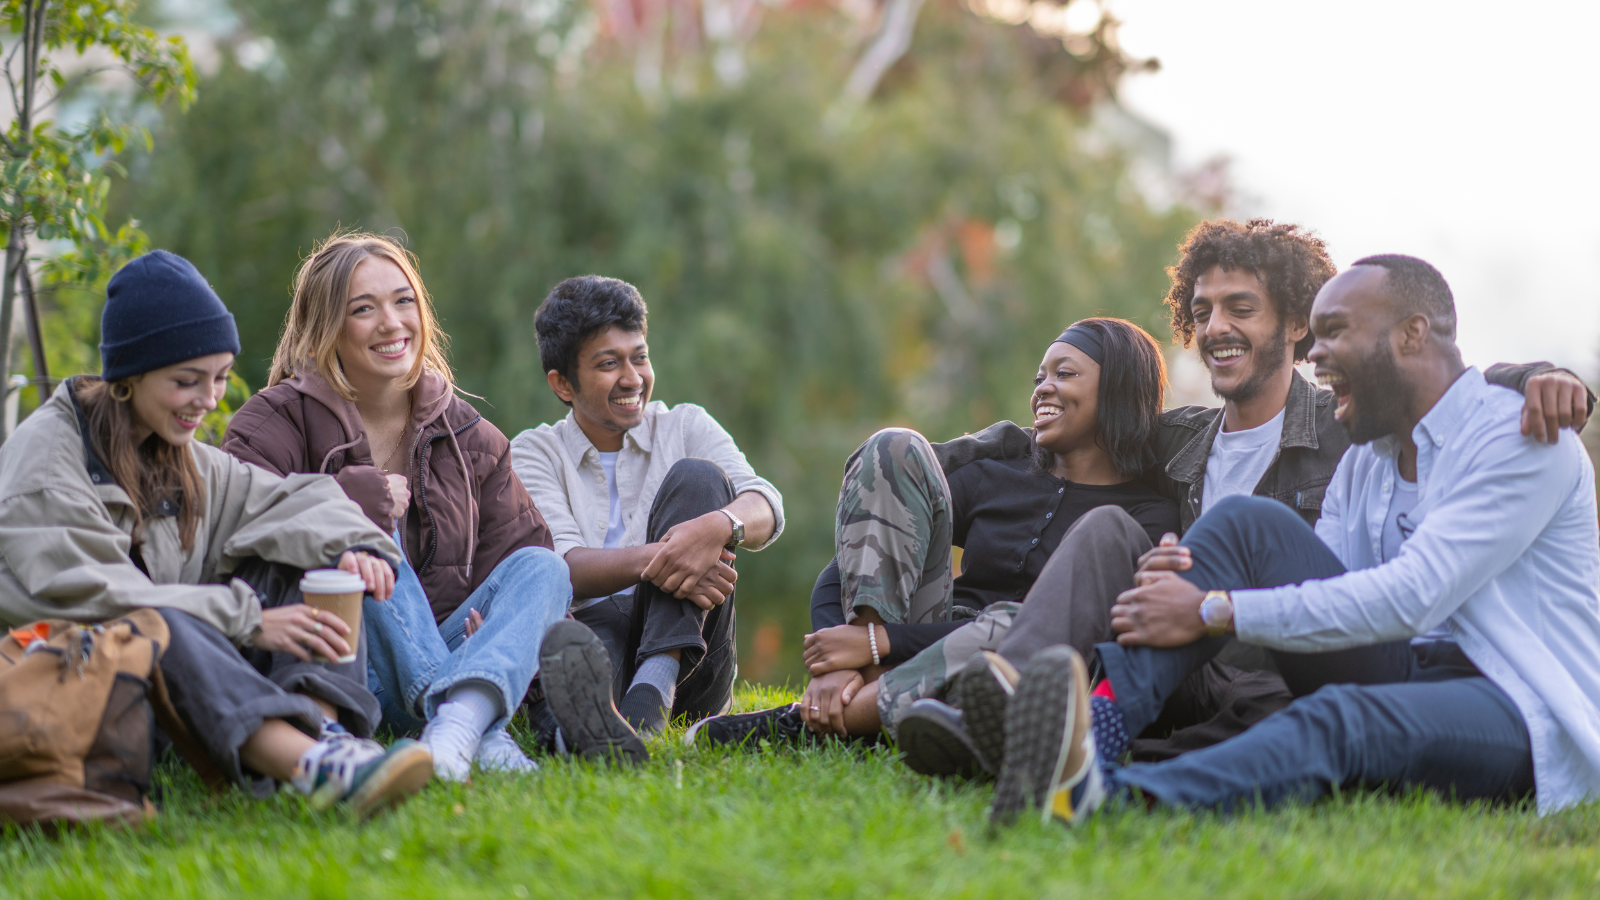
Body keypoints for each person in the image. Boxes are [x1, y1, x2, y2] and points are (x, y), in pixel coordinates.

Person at [891, 219, 1593, 777]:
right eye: (1202, 312)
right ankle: (1017, 709)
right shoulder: (1172, 439)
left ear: (1296, 325)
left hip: (1279, 668)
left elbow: (1430, 393)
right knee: (1110, 528)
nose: (1216, 326)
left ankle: (1078, 753)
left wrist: (1535, 374)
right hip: (1180, 664)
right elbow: (1053, 442)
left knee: (1244, 534)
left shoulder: (1348, 430)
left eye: (1240, 307)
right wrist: (915, 463)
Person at [0, 250, 431, 816]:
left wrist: (355, 544)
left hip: (171, 694)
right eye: (186, 382)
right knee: (155, 620)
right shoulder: (46, 466)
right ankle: (311, 766)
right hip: (70, 690)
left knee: (305, 555)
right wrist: (248, 618)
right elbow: (92, 598)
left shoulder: (174, 450)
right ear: (128, 377)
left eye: (220, 378)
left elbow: (286, 498)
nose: (208, 401)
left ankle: (327, 741)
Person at [686, 318, 1180, 755]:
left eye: (1064, 374)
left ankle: (815, 724)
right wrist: (843, 657)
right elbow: (857, 559)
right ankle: (862, 696)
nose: (1042, 389)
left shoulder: (1147, 519)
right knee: (894, 446)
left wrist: (881, 645)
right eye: (1039, 377)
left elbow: (1082, 632)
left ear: (1117, 389)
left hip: (1026, 671)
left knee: (1014, 620)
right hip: (919, 643)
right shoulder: (998, 473)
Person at [223, 232, 571, 781]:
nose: (391, 323)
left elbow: (522, 570)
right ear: (327, 328)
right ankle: (476, 724)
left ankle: (459, 719)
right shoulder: (271, 424)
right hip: (343, 670)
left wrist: (503, 635)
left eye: (403, 301)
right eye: (364, 309)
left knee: (545, 569)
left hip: (450, 646)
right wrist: (345, 501)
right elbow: (231, 535)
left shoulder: (471, 436)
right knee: (363, 537)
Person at [508, 275, 784, 758]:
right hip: (599, 643)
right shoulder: (533, 452)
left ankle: (655, 682)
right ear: (562, 383)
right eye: (608, 363)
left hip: (697, 662)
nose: (633, 377)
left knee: (699, 479)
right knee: (586, 635)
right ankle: (597, 725)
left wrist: (718, 527)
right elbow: (564, 566)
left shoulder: (686, 424)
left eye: (639, 356)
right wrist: (675, 555)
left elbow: (764, 503)